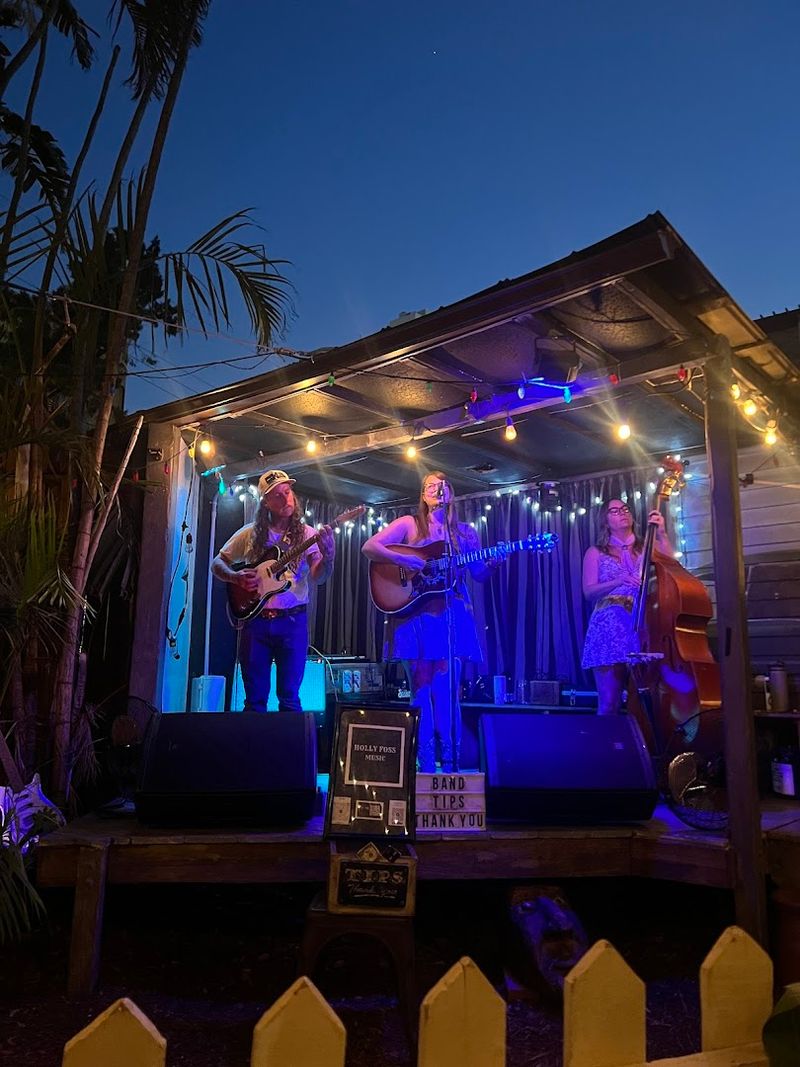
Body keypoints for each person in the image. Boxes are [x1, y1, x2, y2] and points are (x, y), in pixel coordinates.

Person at [362, 470, 505, 772]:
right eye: (430, 486)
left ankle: (450, 764)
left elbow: (478, 573)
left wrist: (493, 564)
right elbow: (370, 547)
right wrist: (405, 560)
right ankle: (425, 764)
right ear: (423, 495)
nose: (437, 491)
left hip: (451, 615)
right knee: (421, 690)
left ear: (450, 493)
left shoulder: (465, 533)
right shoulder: (408, 524)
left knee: (447, 689)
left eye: (442, 486)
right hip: (414, 615)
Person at [211, 469, 335, 713]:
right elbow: (217, 563)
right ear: (265, 502)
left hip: (292, 622)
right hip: (255, 622)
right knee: (254, 701)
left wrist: (329, 557)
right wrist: (235, 577)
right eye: (277, 496)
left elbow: (320, 577)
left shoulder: (308, 534)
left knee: (290, 699)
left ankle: (287, 751)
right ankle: (253, 750)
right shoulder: (250, 534)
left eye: (288, 493)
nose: (286, 499)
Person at [581, 498, 673, 715]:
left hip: (643, 625)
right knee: (609, 701)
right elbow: (589, 592)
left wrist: (662, 534)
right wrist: (618, 581)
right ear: (605, 520)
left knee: (647, 700)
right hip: (609, 626)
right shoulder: (595, 552)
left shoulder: (647, 547)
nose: (622, 512)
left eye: (625, 508)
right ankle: (607, 747)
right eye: (614, 510)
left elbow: (672, 568)